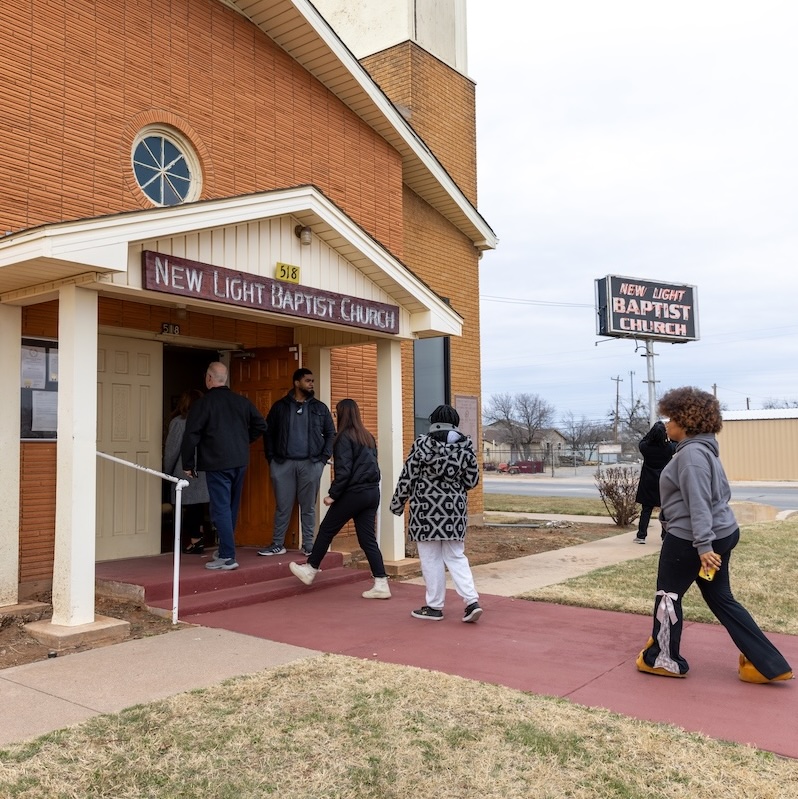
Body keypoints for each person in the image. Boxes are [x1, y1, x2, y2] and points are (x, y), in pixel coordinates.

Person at [636, 386, 793, 683]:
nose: (666, 424)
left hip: (691, 539)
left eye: (670, 418)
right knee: (721, 598)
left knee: (668, 596)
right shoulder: (703, 449)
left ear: (685, 421)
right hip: (721, 533)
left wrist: (703, 546)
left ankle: (663, 659)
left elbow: (700, 503)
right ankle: (767, 663)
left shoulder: (691, 456)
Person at [288, 398, 391, 599]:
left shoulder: (343, 437)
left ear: (341, 414)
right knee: (367, 539)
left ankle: (310, 569)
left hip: (354, 493)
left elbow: (344, 472)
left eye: (336, 413)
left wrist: (332, 495)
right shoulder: (367, 436)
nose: (334, 417)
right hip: (371, 493)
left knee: (327, 529)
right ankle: (381, 583)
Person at [390, 404, 482, 623]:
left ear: (432, 422)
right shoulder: (465, 448)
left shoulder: (421, 446)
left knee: (430, 559)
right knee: (456, 556)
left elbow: (408, 477)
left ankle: (434, 607)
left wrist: (398, 503)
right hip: (454, 512)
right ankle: (471, 602)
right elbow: (472, 480)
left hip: (426, 510)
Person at [181, 362, 268, 571]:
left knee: (220, 508)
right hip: (239, 460)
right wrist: (242, 441)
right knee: (230, 507)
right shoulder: (241, 402)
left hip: (216, 462)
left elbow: (191, 435)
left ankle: (228, 556)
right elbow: (261, 425)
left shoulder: (203, 404)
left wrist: (188, 464)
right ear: (225, 379)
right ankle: (224, 550)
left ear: (209, 378)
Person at [258, 368, 335, 557]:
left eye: (312, 381)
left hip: (311, 463)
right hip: (283, 463)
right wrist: (271, 458)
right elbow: (269, 433)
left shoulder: (319, 407)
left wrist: (323, 459)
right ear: (297, 383)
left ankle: (308, 545)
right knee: (282, 506)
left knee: (308, 507)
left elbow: (331, 433)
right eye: (308, 381)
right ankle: (277, 544)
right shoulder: (280, 407)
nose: (311, 384)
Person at [163, 389, 210, 554]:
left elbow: (172, 450)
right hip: (205, 469)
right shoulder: (208, 421)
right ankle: (199, 536)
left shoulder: (179, 422)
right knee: (198, 505)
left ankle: (195, 540)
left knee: (187, 505)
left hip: (185, 469)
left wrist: (166, 472)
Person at [633, 420, 675, 544]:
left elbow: (642, 441)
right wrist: (668, 436)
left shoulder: (645, 447)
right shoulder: (669, 448)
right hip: (664, 481)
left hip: (648, 481)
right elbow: (677, 443)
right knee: (666, 510)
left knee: (646, 510)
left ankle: (641, 536)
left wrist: (651, 434)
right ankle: (664, 536)